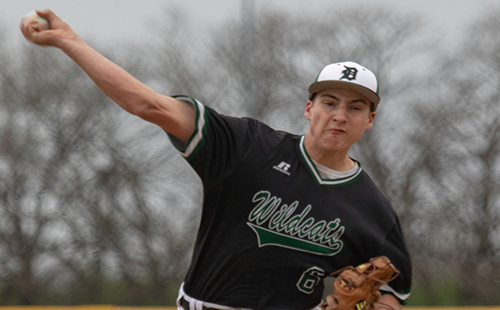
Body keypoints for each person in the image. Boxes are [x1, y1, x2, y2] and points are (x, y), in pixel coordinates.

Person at [21, 10, 412, 310]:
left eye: (355, 107)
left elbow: (393, 293)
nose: (340, 116)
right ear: (309, 108)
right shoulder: (247, 147)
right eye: (329, 102)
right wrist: (70, 41)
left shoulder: (372, 209)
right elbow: (149, 105)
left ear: (370, 121)